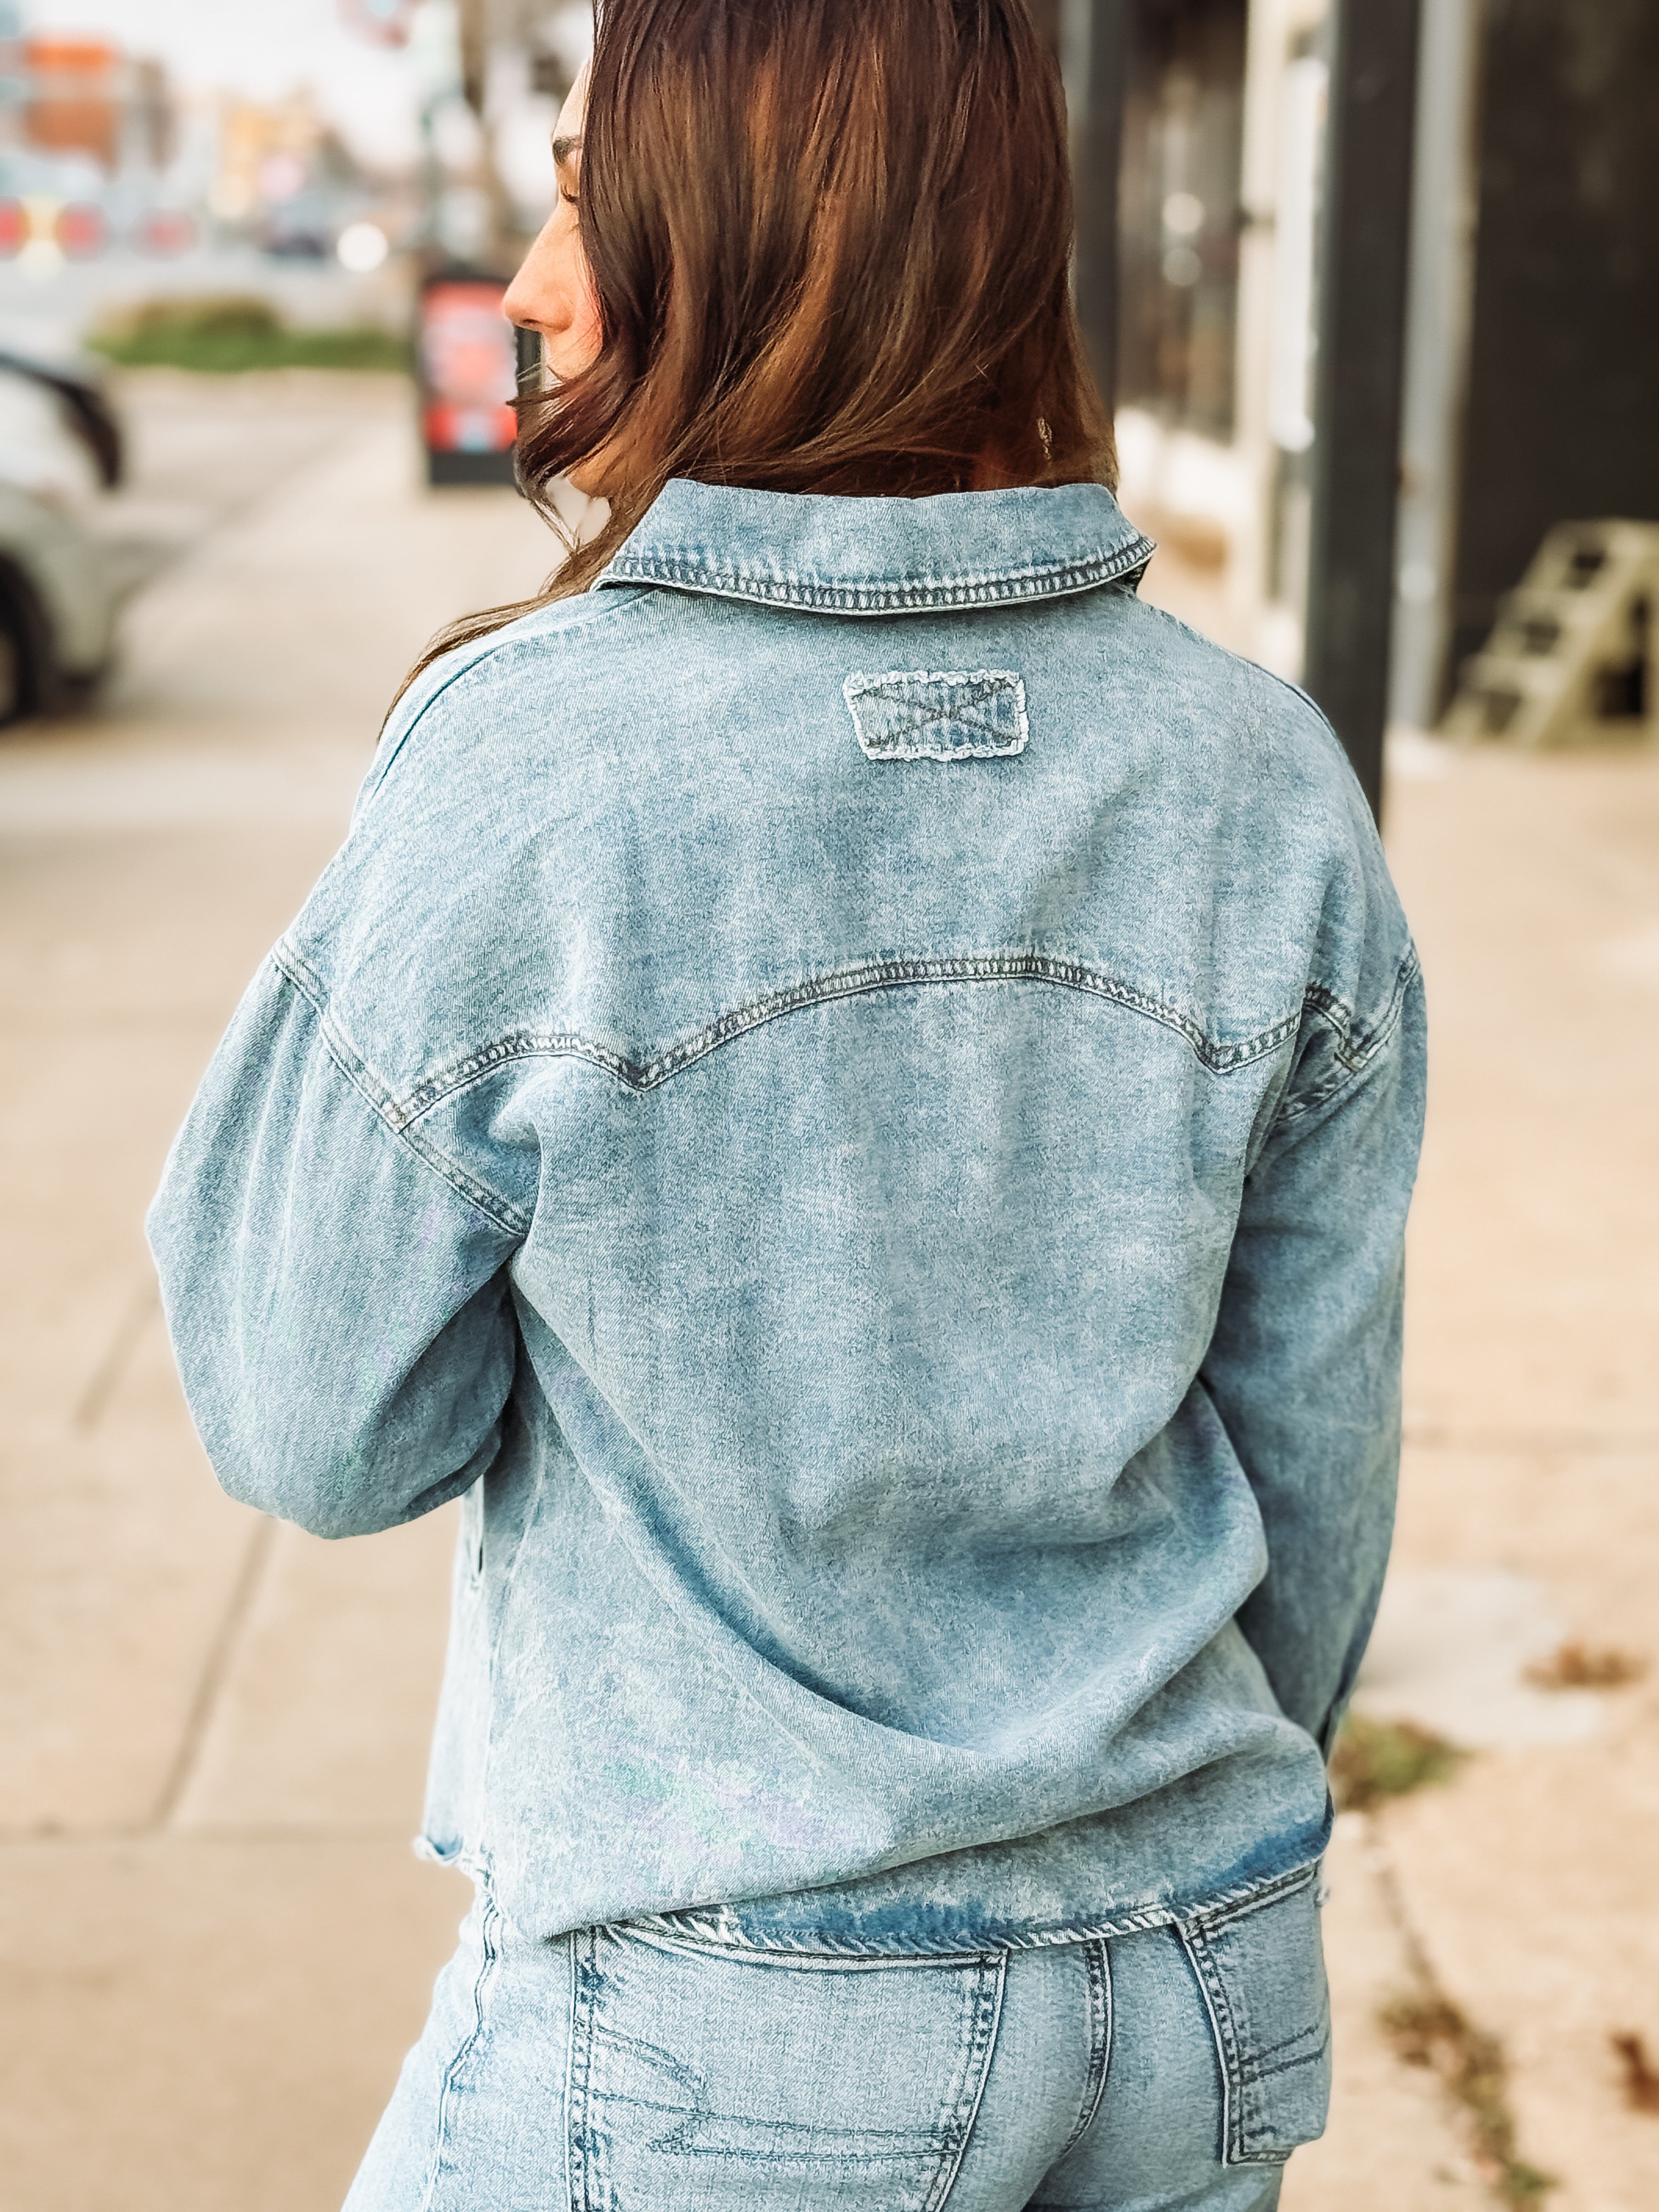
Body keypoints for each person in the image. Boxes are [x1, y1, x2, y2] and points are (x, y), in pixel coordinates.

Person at [147, 3, 1425, 2207]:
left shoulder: (531, 764)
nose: (535, 286)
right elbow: (1312, 1479)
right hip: (1192, 1986)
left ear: (745, 246)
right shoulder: (1267, 783)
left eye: (585, 201)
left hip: (731, 2026)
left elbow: (306, 1414)